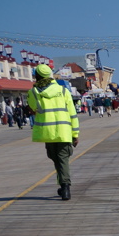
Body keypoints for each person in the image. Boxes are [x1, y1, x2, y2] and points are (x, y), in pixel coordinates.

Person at [27, 64, 79, 201]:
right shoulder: (63, 91)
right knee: (63, 159)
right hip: (64, 131)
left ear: (37, 76)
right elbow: (72, 113)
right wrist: (75, 133)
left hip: (48, 132)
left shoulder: (33, 92)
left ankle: (64, 186)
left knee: (56, 159)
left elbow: (33, 107)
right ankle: (65, 187)